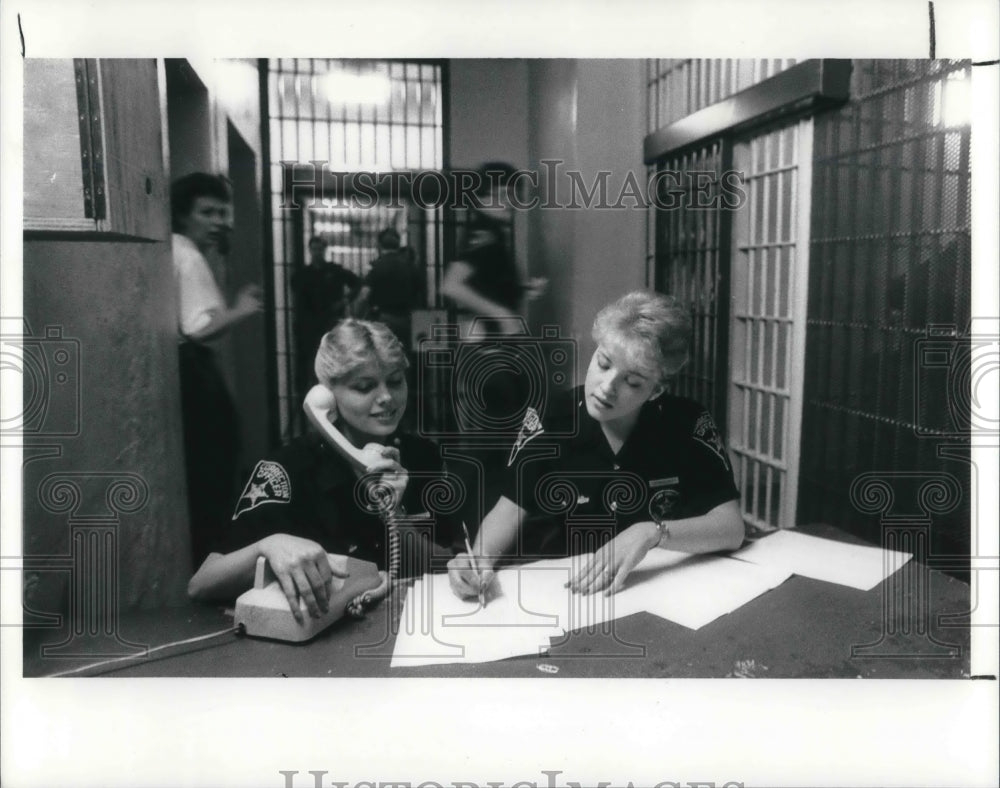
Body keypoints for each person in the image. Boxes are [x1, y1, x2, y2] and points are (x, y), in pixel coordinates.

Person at [448, 290, 745, 600]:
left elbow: (731, 527)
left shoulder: (688, 423)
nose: (607, 388)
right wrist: (477, 561)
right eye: (603, 364)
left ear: (656, 389)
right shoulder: (550, 418)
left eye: (632, 382)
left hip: (660, 588)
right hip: (573, 592)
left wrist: (652, 532)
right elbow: (510, 509)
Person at [188, 319, 456, 621]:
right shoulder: (285, 471)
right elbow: (201, 584)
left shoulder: (421, 457)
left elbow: (445, 568)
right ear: (324, 397)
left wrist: (395, 517)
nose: (386, 397)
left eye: (395, 381)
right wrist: (268, 546)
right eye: (364, 387)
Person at [172, 172, 263, 566]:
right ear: (181, 215)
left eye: (223, 212)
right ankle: (216, 563)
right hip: (194, 371)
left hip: (188, 371)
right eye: (207, 212)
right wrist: (241, 310)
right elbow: (198, 329)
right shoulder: (188, 255)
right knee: (214, 472)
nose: (219, 221)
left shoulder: (175, 249)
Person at [292, 235, 362, 396]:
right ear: (310, 250)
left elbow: (357, 283)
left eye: (320, 249)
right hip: (309, 325)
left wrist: (344, 301)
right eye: (314, 249)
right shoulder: (303, 274)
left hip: (329, 322)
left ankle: (331, 392)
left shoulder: (334, 270)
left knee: (332, 359)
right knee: (310, 362)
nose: (317, 252)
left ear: (324, 250)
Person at [353, 227, 424, 351]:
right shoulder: (411, 266)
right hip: (407, 320)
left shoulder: (375, 267)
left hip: (382, 320)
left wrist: (355, 318)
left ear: (379, 245)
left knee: (384, 357)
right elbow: (421, 293)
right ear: (398, 243)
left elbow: (364, 296)